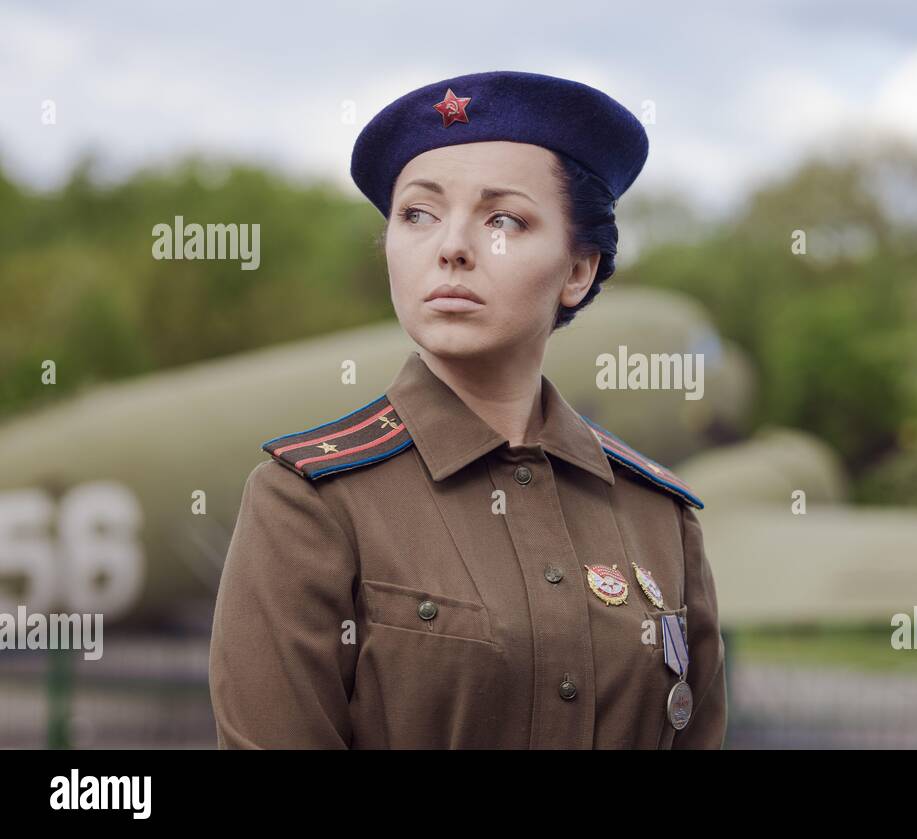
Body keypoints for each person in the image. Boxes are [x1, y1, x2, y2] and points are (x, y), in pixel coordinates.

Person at [208, 70, 727, 748]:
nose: (451, 246)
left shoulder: (659, 516)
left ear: (577, 270)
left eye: (503, 219)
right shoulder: (309, 503)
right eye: (417, 213)